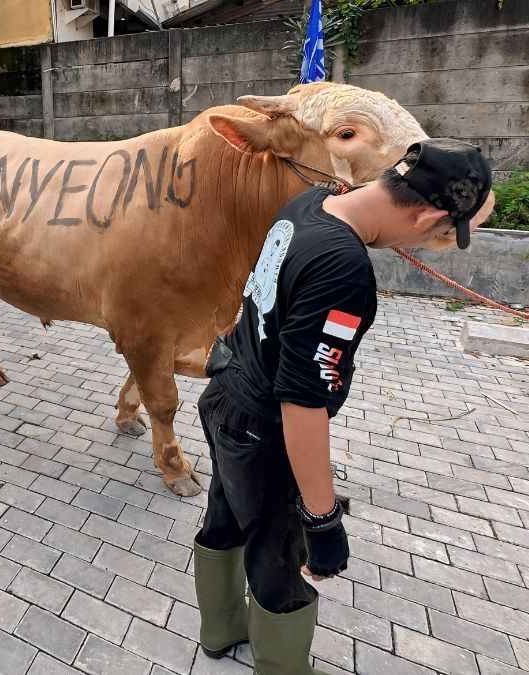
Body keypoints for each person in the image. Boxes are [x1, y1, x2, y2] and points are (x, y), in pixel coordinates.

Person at [195, 139, 494, 673]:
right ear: (424, 211)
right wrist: (322, 517)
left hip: (224, 397)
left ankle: (219, 630)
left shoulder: (312, 203)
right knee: (277, 556)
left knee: (224, 516)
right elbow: (302, 401)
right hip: (265, 427)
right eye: (437, 235)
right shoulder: (344, 268)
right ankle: (281, 667)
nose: (428, 245)